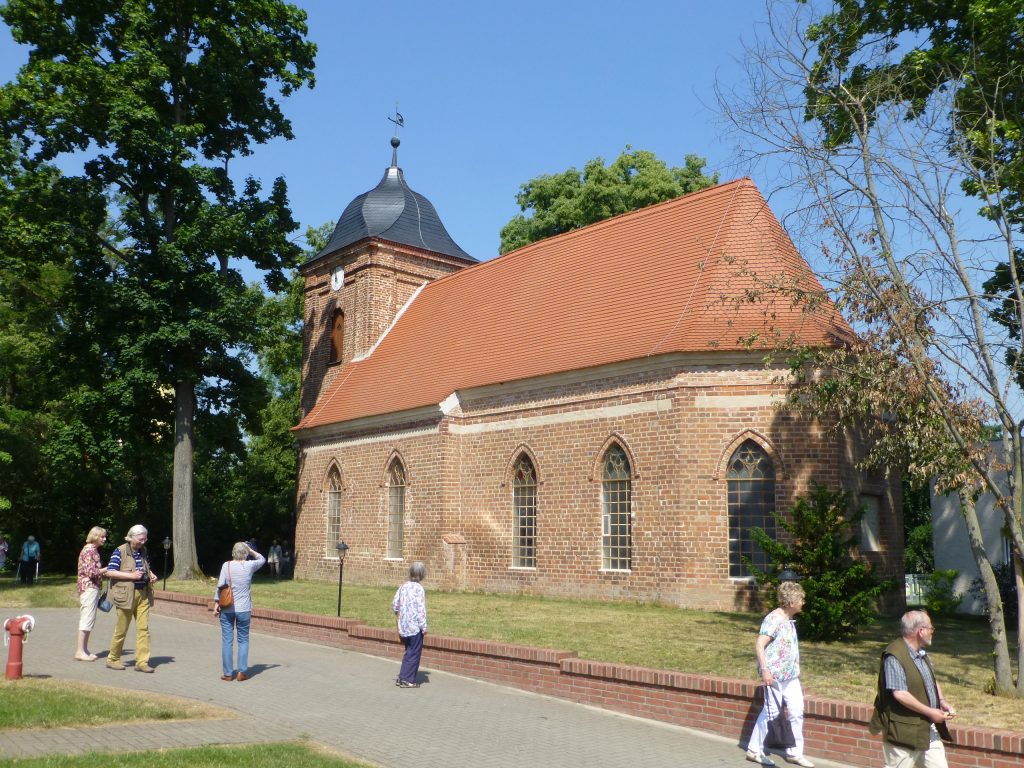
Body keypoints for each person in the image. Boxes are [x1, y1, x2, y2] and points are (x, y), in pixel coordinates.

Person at [870, 610, 955, 768]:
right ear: (920, 631)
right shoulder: (894, 656)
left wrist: (941, 701)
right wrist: (930, 712)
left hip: (927, 727)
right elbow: (900, 694)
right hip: (903, 731)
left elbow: (931, 680)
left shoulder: (921, 653)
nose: (932, 632)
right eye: (931, 628)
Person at [746, 581, 813, 768]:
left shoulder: (788, 619)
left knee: (797, 711)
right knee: (771, 712)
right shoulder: (774, 619)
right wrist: (765, 670)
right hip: (774, 675)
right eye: (801, 599)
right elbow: (759, 644)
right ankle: (754, 750)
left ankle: (794, 753)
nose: (803, 602)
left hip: (791, 675)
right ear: (791, 601)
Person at [106, 524, 158, 672]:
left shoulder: (143, 551)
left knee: (143, 629)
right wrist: (131, 576)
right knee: (122, 628)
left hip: (143, 594)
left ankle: (142, 662)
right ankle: (113, 658)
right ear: (132, 537)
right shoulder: (120, 551)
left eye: (145, 538)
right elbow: (110, 572)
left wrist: (151, 574)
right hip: (125, 596)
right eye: (141, 539)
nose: (144, 541)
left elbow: (146, 568)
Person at [214, 541, 266, 681]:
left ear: (233, 552)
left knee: (227, 641)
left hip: (227, 607)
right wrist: (251, 550)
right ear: (246, 554)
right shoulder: (249, 566)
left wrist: (216, 603)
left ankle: (228, 673)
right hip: (244, 609)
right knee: (243, 640)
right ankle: (242, 672)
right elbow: (262, 559)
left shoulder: (227, 565)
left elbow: (220, 586)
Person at [392, 561, 428, 688]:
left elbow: (395, 604)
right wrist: (424, 627)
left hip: (403, 626)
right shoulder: (419, 589)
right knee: (414, 653)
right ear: (422, 574)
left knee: (408, 652)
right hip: (415, 627)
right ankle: (408, 679)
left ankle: (402, 677)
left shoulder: (403, 586)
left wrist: (400, 616)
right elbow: (421, 610)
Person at [75, 526, 108, 661]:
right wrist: (106, 570)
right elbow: (91, 572)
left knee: (90, 619)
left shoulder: (93, 550)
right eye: (102, 536)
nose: (104, 539)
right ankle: (80, 651)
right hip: (89, 587)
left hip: (93, 587)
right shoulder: (89, 550)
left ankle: (85, 650)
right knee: (87, 618)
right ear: (95, 536)